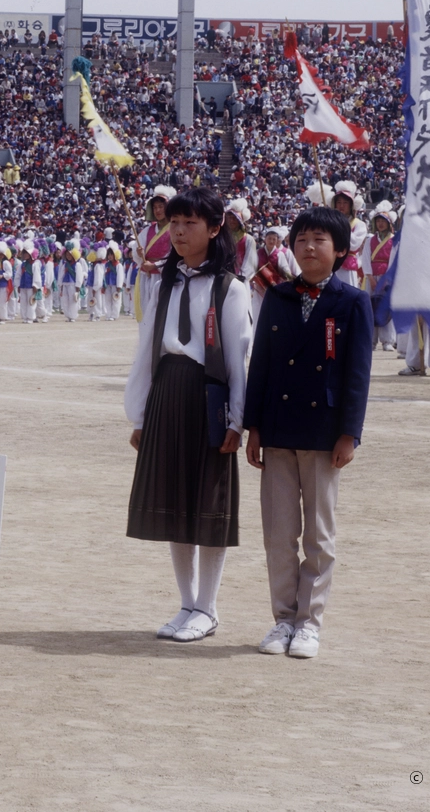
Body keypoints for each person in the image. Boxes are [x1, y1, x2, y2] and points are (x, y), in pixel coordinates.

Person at [244, 206, 373, 659]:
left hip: (323, 432)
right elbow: (260, 364)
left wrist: (349, 434)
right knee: (279, 533)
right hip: (277, 430)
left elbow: (358, 373)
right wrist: (253, 425)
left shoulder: (353, 302)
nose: (309, 247)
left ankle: (309, 623)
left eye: (319, 240)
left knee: (319, 533)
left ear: (340, 250)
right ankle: (282, 619)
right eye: (301, 239)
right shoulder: (277, 296)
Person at [125, 188, 252, 643]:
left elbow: (240, 358)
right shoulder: (165, 282)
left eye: (189, 223)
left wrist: (237, 421)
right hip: (168, 394)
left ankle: (208, 607)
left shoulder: (230, 289)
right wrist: (139, 413)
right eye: (174, 223)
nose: (178, 232)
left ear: (215, 228)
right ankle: (185, 602)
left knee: (208, 505)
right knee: (175, 503)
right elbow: (147, 350)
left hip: (208, 398)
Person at [360, 201, 398, 350]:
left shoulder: (394, 240)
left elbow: (394, 260)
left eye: (383, 221)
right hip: (372, 276)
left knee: (386, 307)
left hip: (387, 277)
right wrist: (370, 277)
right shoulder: (370, 240)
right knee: (371, 307)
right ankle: (372, 340)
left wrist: (387, 278)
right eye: (378, 221)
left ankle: (388, 341)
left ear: (389, 223)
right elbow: (365, 258)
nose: (381, 224)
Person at [331, 181, 368, 289]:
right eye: (339, 202)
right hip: (330, 264)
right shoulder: (330, 223)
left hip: (348, 266)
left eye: (345, 203)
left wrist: (340, 225)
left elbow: (354, 245)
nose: (341, 206)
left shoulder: (359, 224)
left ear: (351, 205)